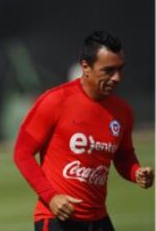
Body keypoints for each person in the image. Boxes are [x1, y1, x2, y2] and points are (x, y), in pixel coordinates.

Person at [14, 31, 154, 231]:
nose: (117, 78)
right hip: (57, 219)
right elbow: (22, 153)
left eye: (120, 69)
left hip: (98, 219)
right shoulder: (55, 101)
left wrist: (135, 172)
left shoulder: (123, 112)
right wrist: (51, 197)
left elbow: (124, 155)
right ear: (85, 67)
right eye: (108, 70)